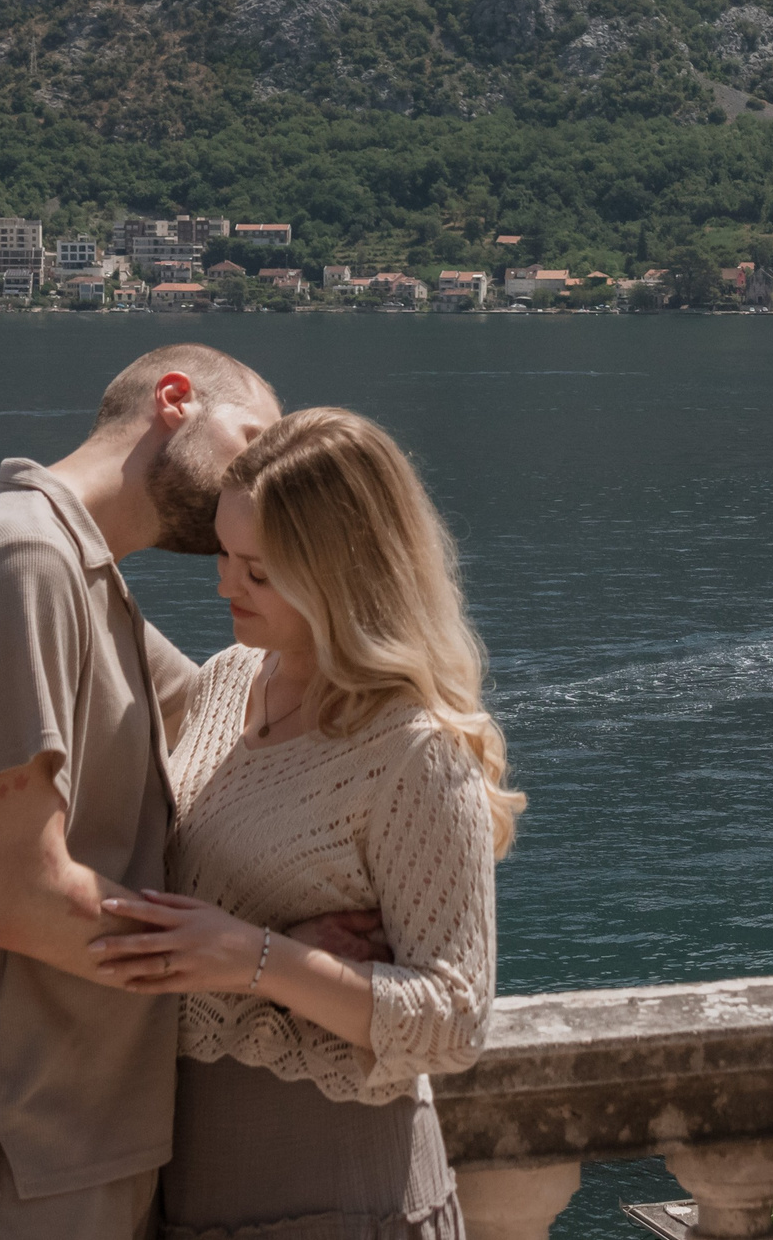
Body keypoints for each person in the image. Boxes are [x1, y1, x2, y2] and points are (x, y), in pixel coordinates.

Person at [0, 346, 386, 1240]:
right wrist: (265, 965)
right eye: (250, 442)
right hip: (28, 1143)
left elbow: (242, 708)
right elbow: (22, 898)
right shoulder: (22, 561)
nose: (260, 479)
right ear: (175, 401)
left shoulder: (83, 578)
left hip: (51, 1125)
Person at [81, 408, 523, 1240]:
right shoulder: (226, 681)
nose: (223, 587)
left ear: (342, 573)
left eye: (258, 571)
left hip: (347, 1199)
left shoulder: (413, 754)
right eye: (223, 554)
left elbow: (457, 1019)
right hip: (187, 1192)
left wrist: (258, 958)